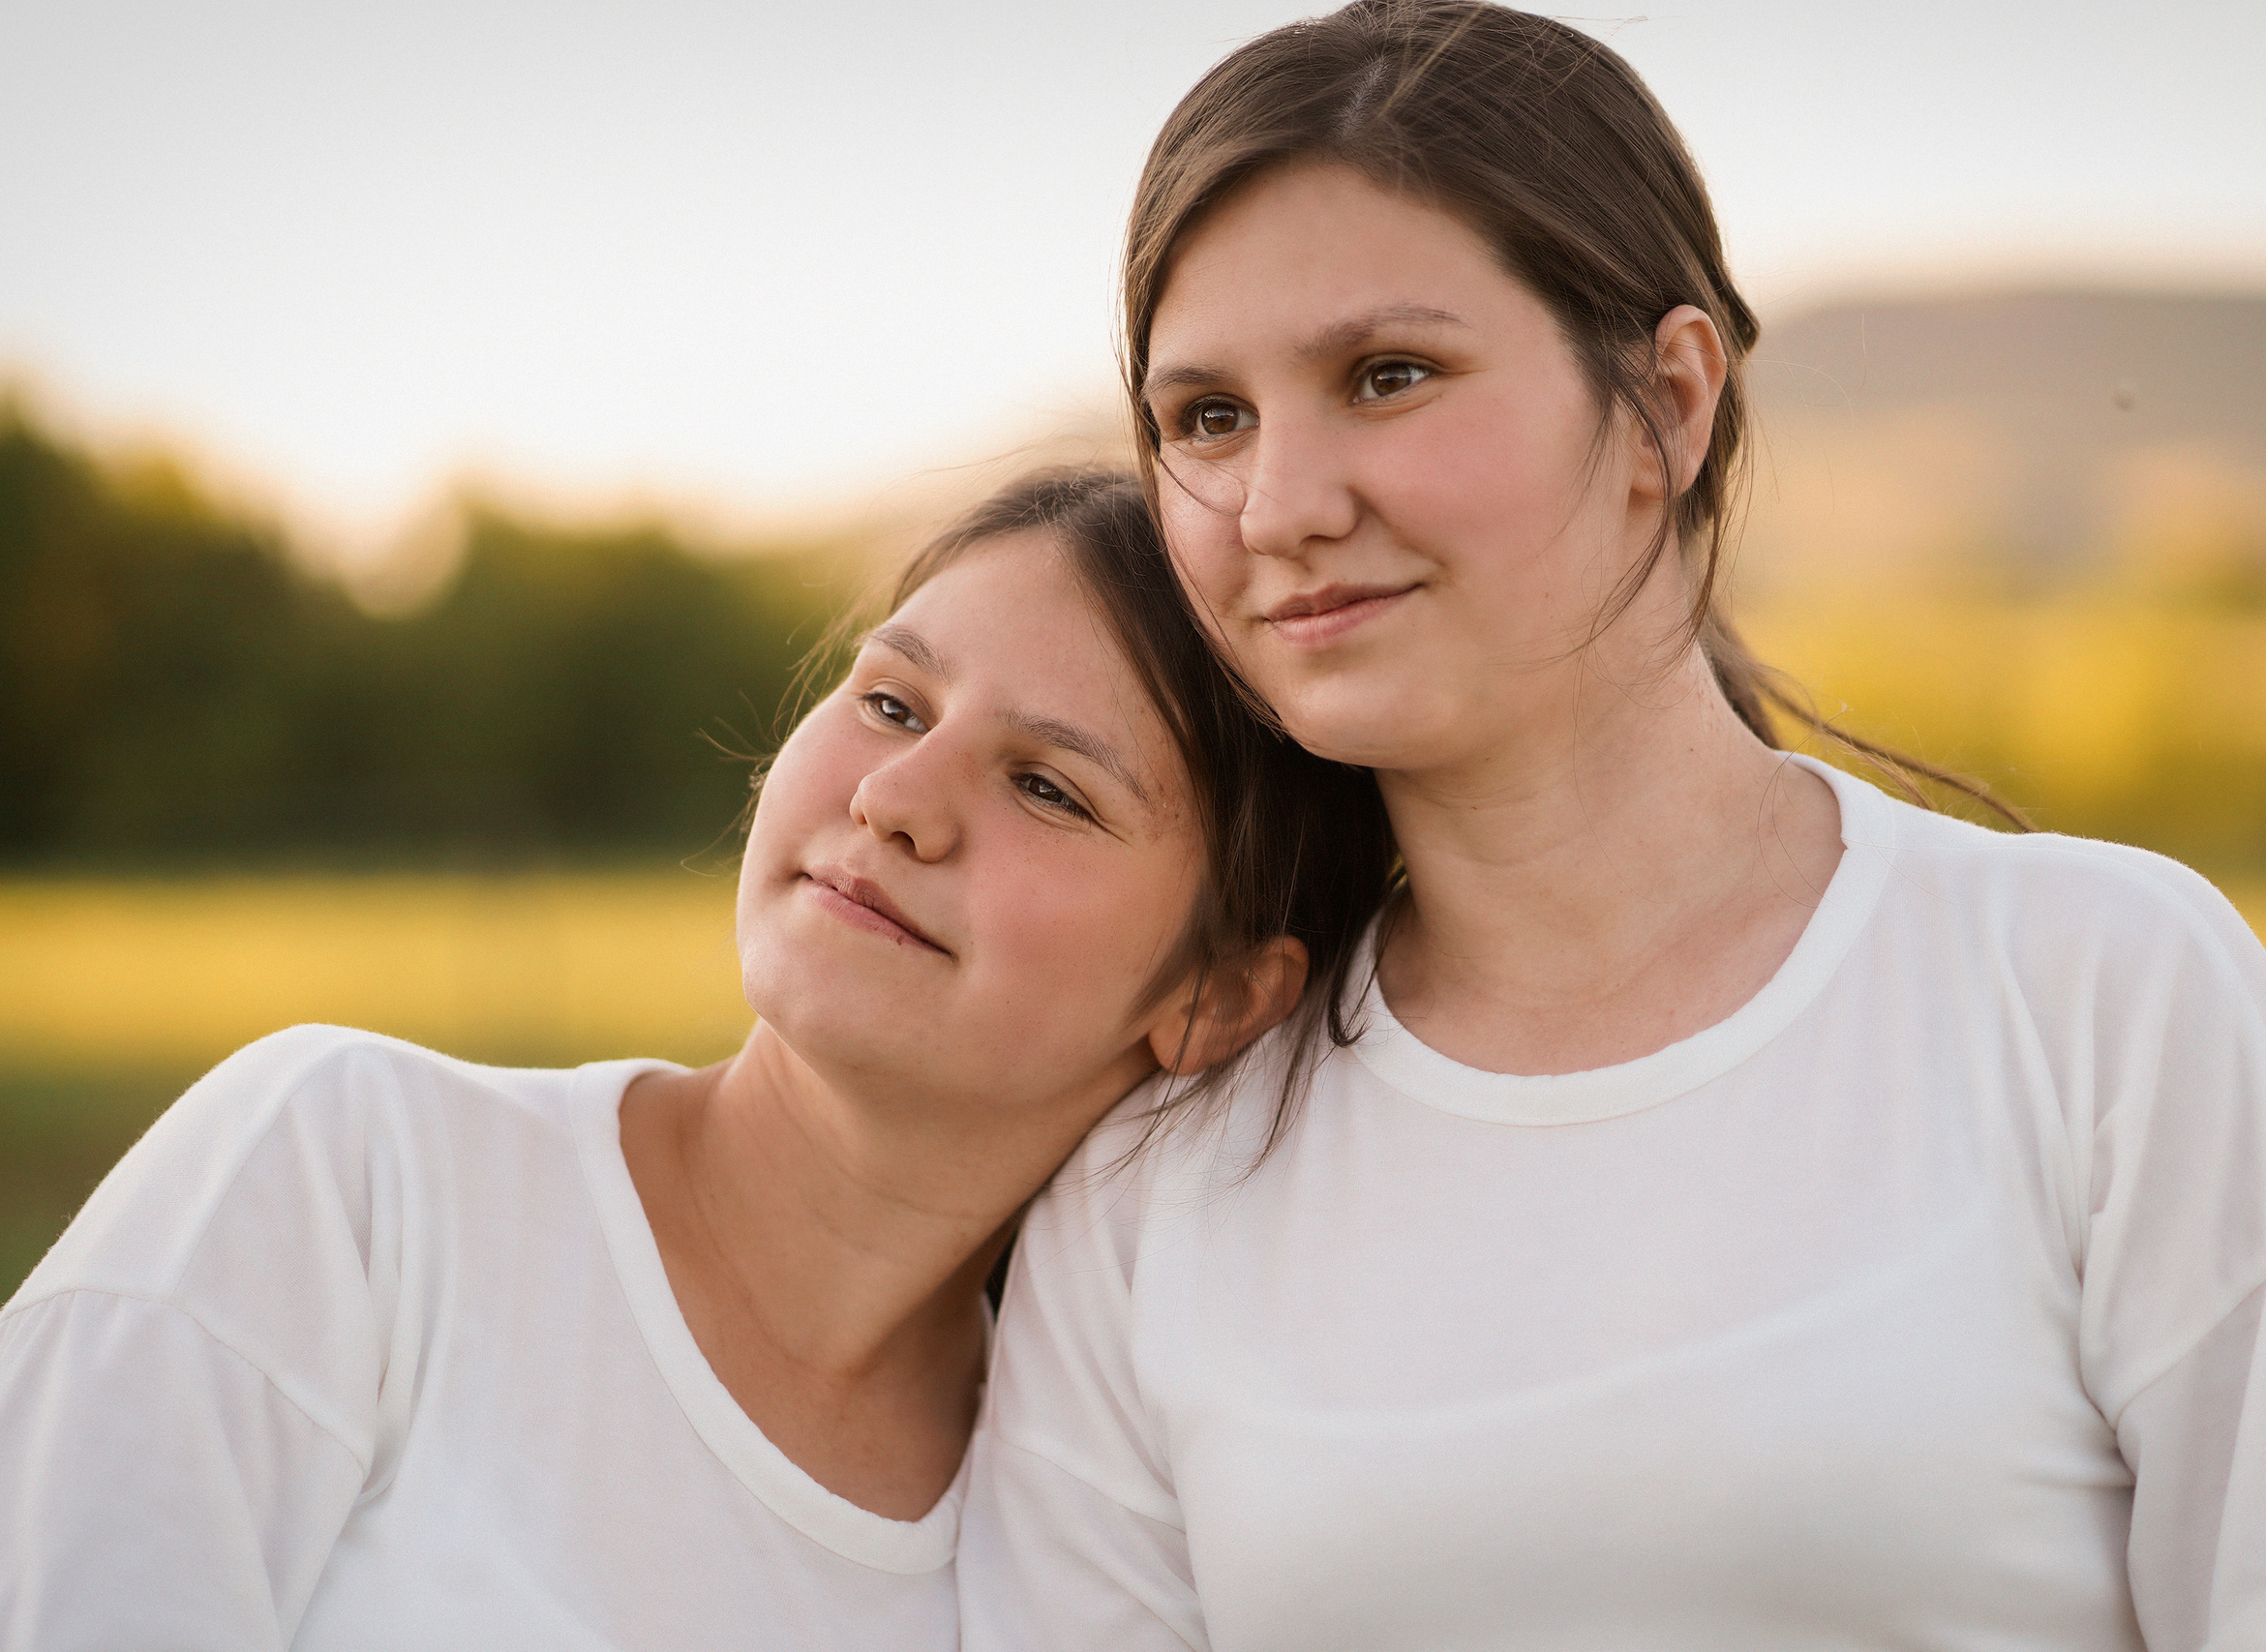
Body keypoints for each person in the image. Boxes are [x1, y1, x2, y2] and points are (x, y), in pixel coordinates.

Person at [957, 8, 2266, 1650]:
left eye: (1389, 376)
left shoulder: (2102, 998)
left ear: (1667, 401)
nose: (1281, 506)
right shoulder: (1157, 1183)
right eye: (1208, 418)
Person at [0, 469, 1392, 1650]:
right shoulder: (345, 1178)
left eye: (1049, 788)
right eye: (889, 701)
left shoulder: (1078, 1552)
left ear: (1221, 997)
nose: (899, 798)